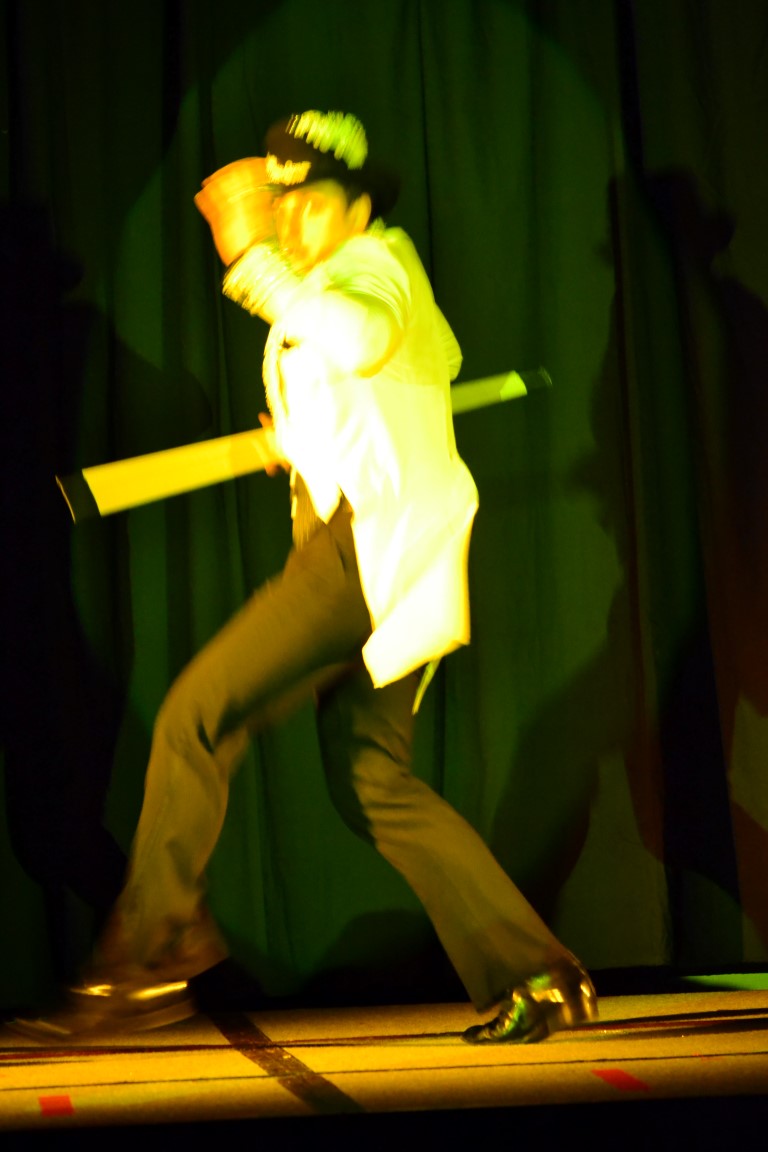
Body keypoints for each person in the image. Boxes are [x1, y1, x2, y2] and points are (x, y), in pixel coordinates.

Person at [11, 110, 597, 1045]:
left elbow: (364, 341)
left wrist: (257, 264)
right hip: (384, 555)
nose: (290, 222)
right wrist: (306, 434)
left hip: (355, 557)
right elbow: (417, 366)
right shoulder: (341, 285)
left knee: (195, 717)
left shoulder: (377, 264)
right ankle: (539, 973)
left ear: (359, 205)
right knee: (373, 782)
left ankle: (154, 950)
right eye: (279, 206)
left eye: (311, 203)